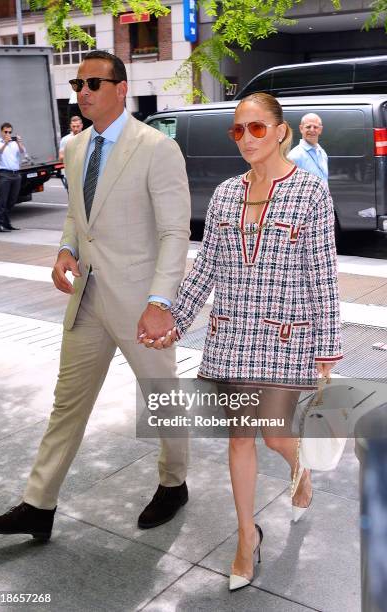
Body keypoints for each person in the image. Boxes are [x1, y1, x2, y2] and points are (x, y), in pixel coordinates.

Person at [0, 50, 191, 540]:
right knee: (67, 403)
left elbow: (174, 233)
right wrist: (64, 250)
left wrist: (161, 302)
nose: (84, 92)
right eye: (78, 84)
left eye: (95, 83)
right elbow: (78, 215)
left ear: (121, 89)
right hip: (88, 299)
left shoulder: (157, 148)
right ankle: (39, 503)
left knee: (162, 400)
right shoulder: (75, 148)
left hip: (142, 306)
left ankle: (174, 482)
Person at [142, 92, 343, 591]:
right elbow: (206, 268)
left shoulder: (311, 194)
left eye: (256, 128)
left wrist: (327, 349)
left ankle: (300, 469)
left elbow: (322, 276)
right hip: (230, 337)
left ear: (281, 131)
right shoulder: (227, 194)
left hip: (285, 338)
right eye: (238, 130)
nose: (246, 138)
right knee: (239, 438)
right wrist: (174, 318)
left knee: (275, 436)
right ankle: (244, 539)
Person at [0, 122, 26, 232]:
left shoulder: (14, 143)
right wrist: (5, 143)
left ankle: (6, 223)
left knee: (12, 200)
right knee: (2, 201)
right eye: (6, 132)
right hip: (4, 174)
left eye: (10, 132)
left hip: (16, 174)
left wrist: (19, 142)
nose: (8, 134)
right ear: (1, 131)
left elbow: (23, 152)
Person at [288, 113, 328, 182]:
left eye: (315, 127)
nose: (312, 130)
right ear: (301, 129)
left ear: (320, 130)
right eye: (308, 127)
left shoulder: (322, 153)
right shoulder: (294, 157)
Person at [58, 116, 84, 191]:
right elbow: (61, 158)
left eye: (78, 126)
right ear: (70, 126)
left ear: (81, 126)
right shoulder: (65, 140)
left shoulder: (88, 137)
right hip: (70, 176)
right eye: (73, 126)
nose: (76, 129)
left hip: (84, 175)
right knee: (73, 200)